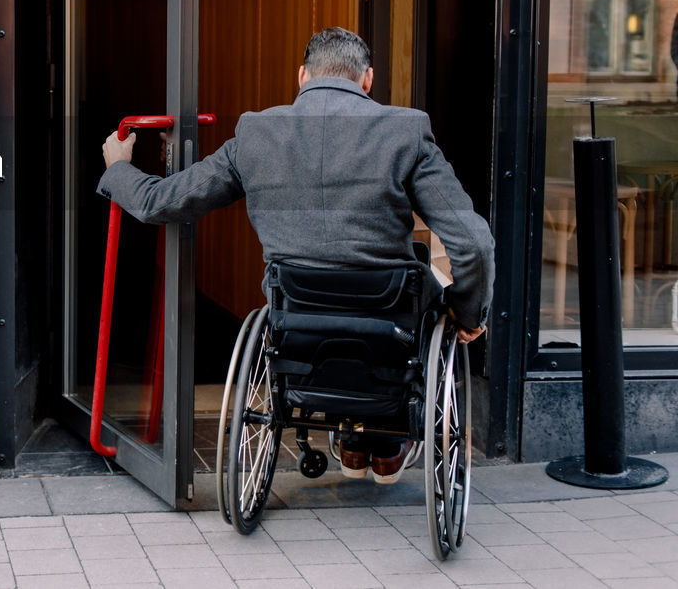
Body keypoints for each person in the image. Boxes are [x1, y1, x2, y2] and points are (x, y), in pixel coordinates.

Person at [97, 27, 494, 484]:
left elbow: (161, 202)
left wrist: (120, 169)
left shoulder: (256, 132)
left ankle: (352, 439)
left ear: (301, 76)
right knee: (425, 285)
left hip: (296, 310)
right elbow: (474, 244)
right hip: (387, 312)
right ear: (367, 79)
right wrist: (467, 314)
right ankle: (382, 443)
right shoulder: (405, 131)